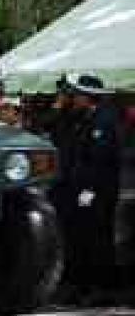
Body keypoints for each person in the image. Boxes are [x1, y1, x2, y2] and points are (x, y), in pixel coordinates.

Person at [55, 74, 121, 296]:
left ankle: (104, 289)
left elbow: (99, 160)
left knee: (98, 238)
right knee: (81, 237)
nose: (74, 99)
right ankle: (83, 286)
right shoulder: (81, 119)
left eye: (78, 95)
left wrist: (90, 189)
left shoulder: (103, 121)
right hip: (79, 188)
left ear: (89, 97)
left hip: (98, 190)